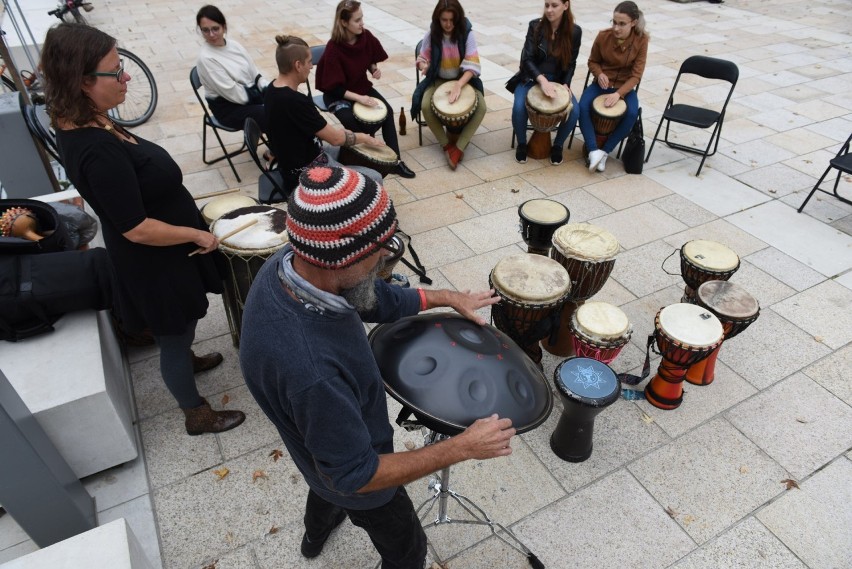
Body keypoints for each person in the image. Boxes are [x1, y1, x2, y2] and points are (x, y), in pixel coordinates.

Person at [240, 166, 515, 567]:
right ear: (338, 260)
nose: (386, 257)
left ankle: (314, 539)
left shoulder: (291, 263)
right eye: (378, 251)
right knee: (406, 550)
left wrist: (446, 297)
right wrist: (462, 447)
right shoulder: (312, 370)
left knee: (323, 475)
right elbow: (356, 474)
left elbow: (372, 296)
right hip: (359, 478)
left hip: (324, 450)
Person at [42, 23, 246, 436]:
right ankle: (197, 414)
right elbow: (135, 228)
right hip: (153, 258)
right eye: (116, 71)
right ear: (83, 82)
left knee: (182, 324)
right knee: (173, 334)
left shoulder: (89, 119)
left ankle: (187, 361)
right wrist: (196, 234)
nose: (127, 77)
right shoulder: (96, 150)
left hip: (163, 250)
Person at [265, 35, 385, 198]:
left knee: (352, 150)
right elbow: (335, 138)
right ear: (298, 65)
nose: (311, 67)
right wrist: (365, 137)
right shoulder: (295, 101)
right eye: (309, 62)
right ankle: (352, 216)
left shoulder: (271, 89)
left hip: (298, 159)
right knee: (374, 177)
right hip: (307, 173)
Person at [315, 0, 416, 179]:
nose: (362, 23)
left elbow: (369, 58)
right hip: (339, 94)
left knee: (387, 112)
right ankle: (369, 159)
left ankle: (395, 162)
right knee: (353, 122)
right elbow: (334, 88)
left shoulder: (365, 36)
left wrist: (373, 68)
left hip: (360, 87)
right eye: (357, 20)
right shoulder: (333, 48)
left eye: (362, 18)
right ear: (344, 22)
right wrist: (359, 99)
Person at [412, 0, 485, 170]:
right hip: (438, 80)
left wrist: (459, 85)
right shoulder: (432, 33)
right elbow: (421, 59)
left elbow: (473, 65)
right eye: (444, 20)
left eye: (452, 20)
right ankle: (447, 146)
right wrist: (425, 66)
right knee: (425, 105)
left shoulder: (466, 33)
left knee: (481, 107)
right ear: (438, 18)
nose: (448, 24)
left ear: (457, 18)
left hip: (462, 79)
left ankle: (459, 147)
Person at [507, 0, 582, 166]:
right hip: (531, 78)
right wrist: (541, 80)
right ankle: (521, 144)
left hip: (557, 81)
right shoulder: (535, 27)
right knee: (519, 107)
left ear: (566, 5)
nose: (549, 10)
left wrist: (566, 84)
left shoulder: (575, 32)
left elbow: (571, 63)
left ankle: (558, 145)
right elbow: (527, 59)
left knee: (575, 111)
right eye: (547, 5)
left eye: (554, 5)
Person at [579, 1, 648, 173]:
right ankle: (593, 149)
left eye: (622, 24)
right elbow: (592, 61)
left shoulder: (642, 40)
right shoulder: (603, 37)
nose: (616, 28)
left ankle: (605, 151)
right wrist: (599, 73)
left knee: (632, 113)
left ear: (633, 22)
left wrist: (619, 94)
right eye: (614, 22)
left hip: (624, 88)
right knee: (582, 106)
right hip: (601, 85)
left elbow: (636, 75)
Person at [195, 5, 270, 133]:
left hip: (249, 97)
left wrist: (270, 90)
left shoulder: (234, 45)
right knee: (270, 112)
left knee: (286, 99)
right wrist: (264, 100)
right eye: (205, 30)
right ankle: (279, 150)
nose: (211, 34)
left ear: (224, 27)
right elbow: (234, 94)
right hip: (228, 109)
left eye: (215, 28)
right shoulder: (206, 58)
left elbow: (255, 73)